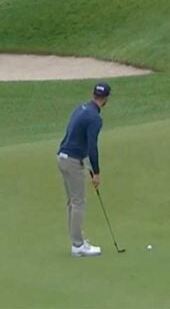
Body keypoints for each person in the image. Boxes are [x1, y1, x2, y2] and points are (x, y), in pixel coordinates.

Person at [56, 82, 111, 257]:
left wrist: (88, 166)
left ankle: (77, 241)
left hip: (62, 157)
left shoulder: (80, 108)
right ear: (107, 99)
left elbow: (77, 139)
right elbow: (92, 146)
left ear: (92, 94)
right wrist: (96, 172)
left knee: (72, 202)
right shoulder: (95, 118)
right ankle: (78, 245)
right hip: (72, 161)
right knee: (78, 202)